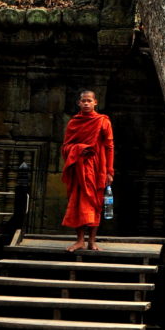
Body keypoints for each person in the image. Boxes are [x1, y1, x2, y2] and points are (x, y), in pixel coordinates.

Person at [61, 89, 114, 251]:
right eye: (83, 101)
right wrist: (80, 149)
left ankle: (92, 240)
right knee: (78, 202)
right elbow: (65, 147)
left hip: (98, 167)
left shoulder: (103, 121)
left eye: (89, 101)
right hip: (79, 167)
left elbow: (109, 146)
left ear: (95, 102)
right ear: (79, 103)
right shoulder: (73, 123)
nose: (86, 103)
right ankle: (79, 240)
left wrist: (109, 171)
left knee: (96, 203)